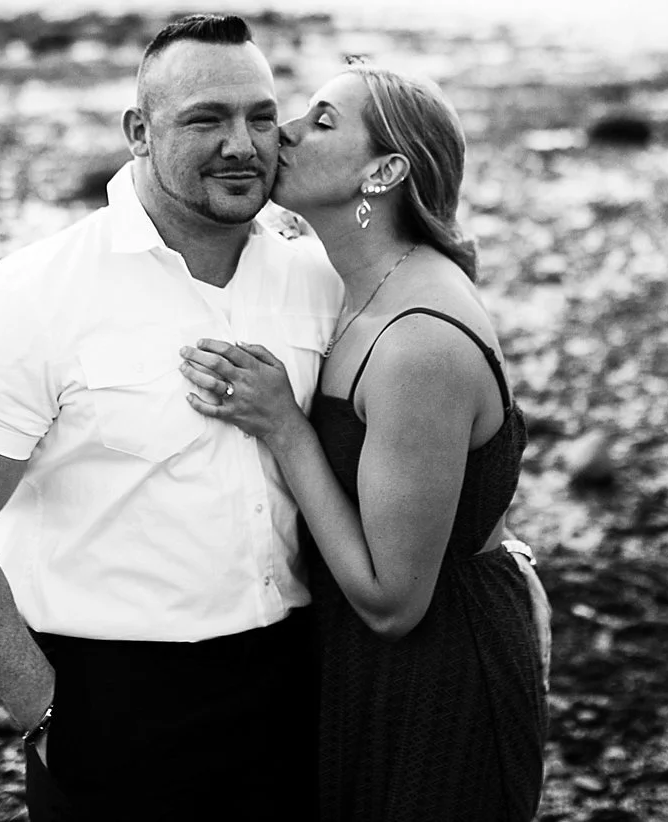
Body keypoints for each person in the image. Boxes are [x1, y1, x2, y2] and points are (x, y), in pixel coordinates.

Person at [0, 13, 343, 821]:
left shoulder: (317, 277)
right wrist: (50, 716)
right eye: (206, 119)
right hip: (116, 704)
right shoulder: (29, 299)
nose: (243, 144)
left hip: (295, 688)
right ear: (138, 131)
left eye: (261, 117)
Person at [180, 63, 549, 821]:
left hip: (438, 681)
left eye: (320, 122)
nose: (281, 131)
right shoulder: (358, 282)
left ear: (383, 171)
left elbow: (392, 602)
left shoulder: (418, 343)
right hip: (364, 666)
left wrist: (284, 425)